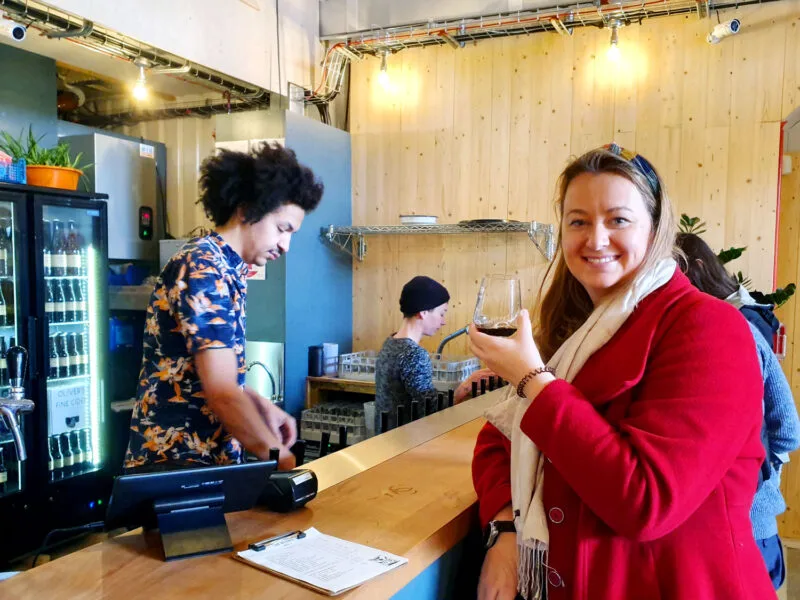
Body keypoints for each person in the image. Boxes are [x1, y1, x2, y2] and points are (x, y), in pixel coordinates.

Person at [469, 143, 773, 599]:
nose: (595, 239)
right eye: (578, 221)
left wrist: (534, 380)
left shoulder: (709, 327)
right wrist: (505, 529)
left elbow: (646, 504)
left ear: (654, 231)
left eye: (618, 219)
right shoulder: (577, 332)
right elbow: (500, 440)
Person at [124, 143, 323, 471]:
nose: (286, 245)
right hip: (178, 468)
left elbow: (205, 377)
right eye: (282, 229)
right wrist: (281, 459)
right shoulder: (204, 267)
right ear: (246, 210)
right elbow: (222, 393)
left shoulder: (225, 267)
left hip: (204, 465)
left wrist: (259, 406)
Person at [676, 231, 800, 591]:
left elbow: (787, 429)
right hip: (718, 529)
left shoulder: (737, 326)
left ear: (697, 269)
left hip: (745, 525)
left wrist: (757, 475)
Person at [374, 276, 490, 433]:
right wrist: (467, 386)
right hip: (403, 443)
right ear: (423, 312)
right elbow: (430, 409)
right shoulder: (413, 353)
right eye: (442, 313)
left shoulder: (390, 343)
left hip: (383, 438)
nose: (443, 322)